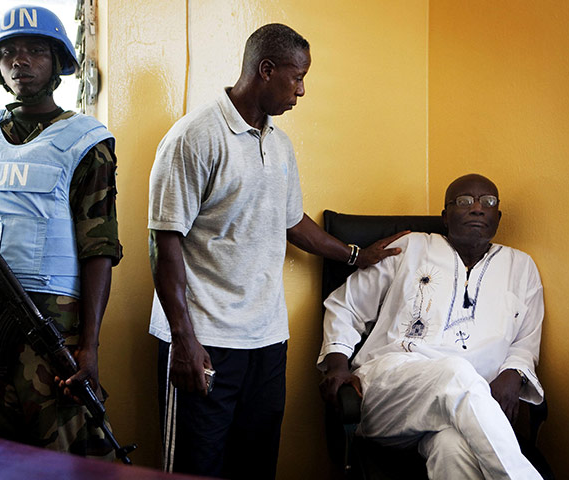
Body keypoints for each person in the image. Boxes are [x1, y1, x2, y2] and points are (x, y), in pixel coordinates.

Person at [148, 23, 406, 479]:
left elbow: (293, 222)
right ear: (266, 70)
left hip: (266, 342)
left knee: (256, 463)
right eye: (297, 77)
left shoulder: (280, 144)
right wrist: (184, 340)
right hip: (205, 340)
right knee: (195, 466)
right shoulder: (194, 137)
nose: (302, 91)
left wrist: (354, 255)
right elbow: (164, 243)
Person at [0, 5, 121, 458]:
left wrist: (90, 346)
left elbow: (99, 248)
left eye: (36, 51)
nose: (20, 61)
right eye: (8, 52)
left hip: (50, 327)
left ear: (59, 62)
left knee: (60, 455)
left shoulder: (86, 142)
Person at [318, 174, 545, 479]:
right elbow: (346, 306)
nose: (478, 208)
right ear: (445, 216)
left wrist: (515, 371)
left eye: (488, 202)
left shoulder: (522, 266)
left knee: (452, 450)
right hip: (391, 391)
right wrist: (336, 365)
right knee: (456, 371)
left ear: (498, 216)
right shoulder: (408, 249)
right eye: (464, 201)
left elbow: (526, 340)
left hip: (471, 411)